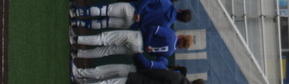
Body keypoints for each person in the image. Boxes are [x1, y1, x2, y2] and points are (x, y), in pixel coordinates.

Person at [71, 0, 192, 30]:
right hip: (133, 23)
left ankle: (76, 12)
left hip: (133, 10)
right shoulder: (167, 25)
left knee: (104, 10)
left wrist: (138, 12)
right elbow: (149, 29)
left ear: (180, 10)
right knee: (104, 23)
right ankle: (78, 24)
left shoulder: (167, 3)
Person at [72, 25, 194, 60]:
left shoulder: (171, 35)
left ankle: (76, 40)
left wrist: (147, 44)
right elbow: (154, 55)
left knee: (105, 38)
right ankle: (78, 54)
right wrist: (146, 48)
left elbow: (152, 29)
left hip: (137, 37)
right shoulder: (170, 52)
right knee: (106, 51)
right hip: (137, 50)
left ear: (182, 37)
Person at [73, 65, 203, 84]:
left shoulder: (177, 78)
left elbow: (155, 73)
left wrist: (139, 75)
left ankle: (80, 80)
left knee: (108, 83)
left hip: (139, 81)